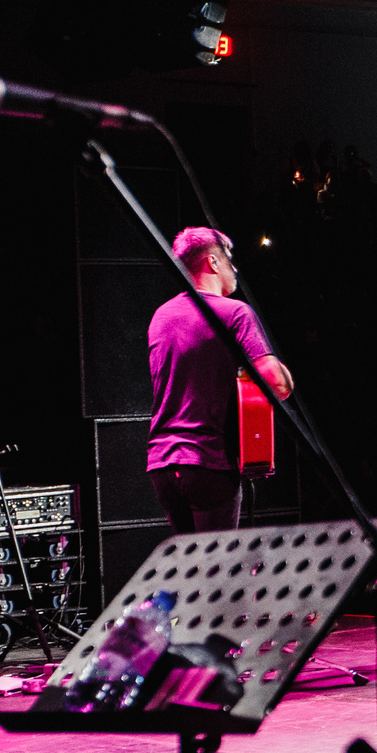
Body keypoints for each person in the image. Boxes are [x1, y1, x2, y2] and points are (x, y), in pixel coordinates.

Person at [146, 227, 295, 533]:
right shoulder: (234, 312)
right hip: (208, 460)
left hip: (163, 462)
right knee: (218, 570)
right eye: (229, 259)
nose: (235, 268)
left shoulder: (161, 316)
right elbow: (278, 385)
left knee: (189, 570)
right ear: (213, 262)